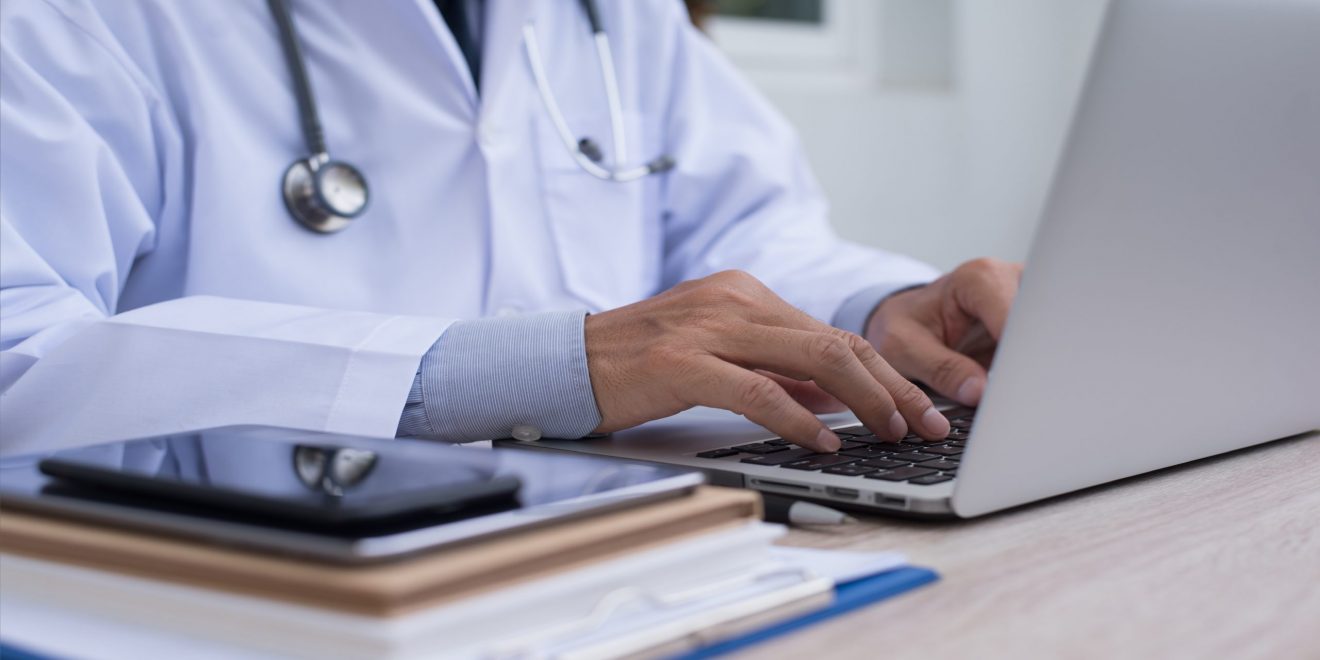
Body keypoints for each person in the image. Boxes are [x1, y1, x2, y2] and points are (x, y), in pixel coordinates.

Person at [0, 0, 1021, 457]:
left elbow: (751, 229)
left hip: (612, 558)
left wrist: (880, 316)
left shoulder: (611, 13)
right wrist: (524, 367)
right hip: (244, 593)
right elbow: (18, 351)